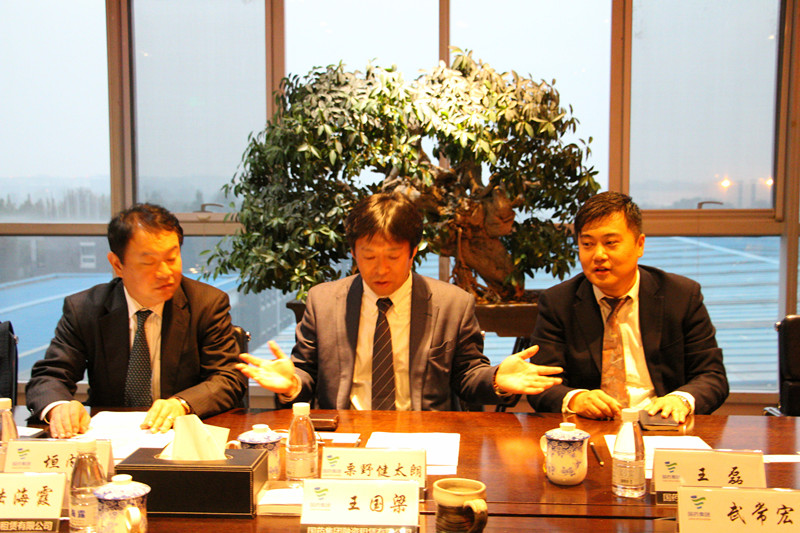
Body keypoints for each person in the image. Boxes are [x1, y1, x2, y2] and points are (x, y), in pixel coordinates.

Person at [237, 192, 563, 410]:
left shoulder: (452, 304)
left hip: (424, 434)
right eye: (369, 256)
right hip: (345, 434)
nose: (380, 269)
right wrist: (291, 384)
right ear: (353, 253)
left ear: (413, 252)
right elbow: (305, 374)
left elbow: (467, 375)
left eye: (392, 256)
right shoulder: (323, 301)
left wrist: (495, 379)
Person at [26, 203, 248, 438]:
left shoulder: (205, 303)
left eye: (172, 258)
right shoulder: (85, 309)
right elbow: (50, 376)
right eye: (149, 262)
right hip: (109, 440)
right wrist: (59, 407)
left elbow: (228, 378)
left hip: (182, 438)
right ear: (117, 264)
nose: (165, 272)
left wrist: (182, 404)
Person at [527, 192, 729, 422]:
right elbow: (541, 382)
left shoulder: (681, 296)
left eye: (610, 243)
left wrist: (680, 399)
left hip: (661, 422)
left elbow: (712, 376)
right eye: (587, 244)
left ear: (639, 244)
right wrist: (576, 399)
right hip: (591, 426)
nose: (598, 255)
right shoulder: (558, 302)